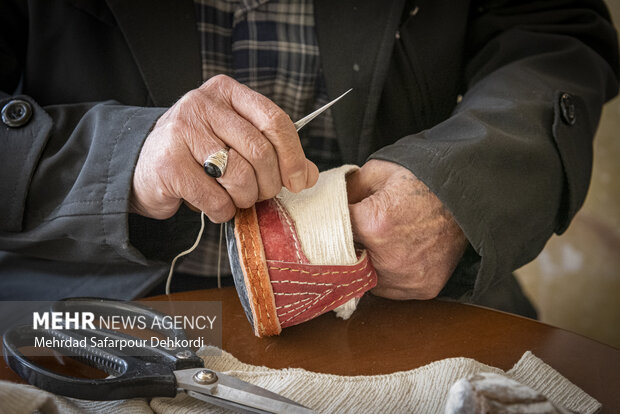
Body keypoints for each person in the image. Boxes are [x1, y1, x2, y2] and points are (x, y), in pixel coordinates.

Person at [0, 0, 617, 318]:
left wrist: (458, 186)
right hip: (86, 306)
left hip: (407, 299)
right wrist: (117, 160)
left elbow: (553, 38)